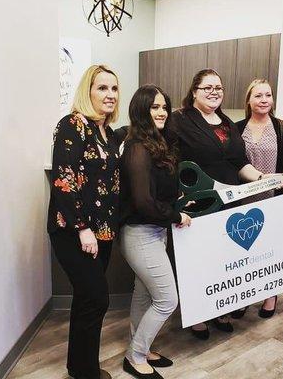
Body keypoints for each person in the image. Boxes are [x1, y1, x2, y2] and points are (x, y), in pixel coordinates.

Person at [170, 68, 264, 340]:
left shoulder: (228, 123)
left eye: (219, 88)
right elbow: (168, 159)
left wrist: (261, 177)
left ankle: (220, 309)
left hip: (229, 203)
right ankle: (197, 314)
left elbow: (238, 163)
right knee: (197, 260)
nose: (214, 93)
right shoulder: (180, 120)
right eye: (207, 87)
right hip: (197, 205)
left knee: (223, 258)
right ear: (194, 91)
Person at [47, 65, 120, 379]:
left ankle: (79, 368)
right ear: (87, 92)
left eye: (114, 89)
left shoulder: (109, 132)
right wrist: (83, 228)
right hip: (74, 230)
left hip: (102, 231)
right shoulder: (73, 124)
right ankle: (87, 372)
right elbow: (64, 180)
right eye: (102, 88)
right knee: (96, 298)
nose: (110, 95)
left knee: (86, 300)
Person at [119, 84, 192, 379]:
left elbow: (157, 192)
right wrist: (177, 215)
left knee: (144, 295)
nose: (161, 112)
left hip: (153, 232)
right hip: (140, 233)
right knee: (166, 300)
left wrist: (176, 202)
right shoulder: (137, 147)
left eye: (164, 106)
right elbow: (143, 202)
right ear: (141, 110)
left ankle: (141, 347)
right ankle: (135, 356)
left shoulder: (157, 142)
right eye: (154, 107)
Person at [234, 78, 283, 319]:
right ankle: (244, 295)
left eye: (268, 95)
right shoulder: (237, 128)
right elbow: (233, 164)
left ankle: (270, 295)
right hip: (244, 200)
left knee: (270, 250)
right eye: (258, 95)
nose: (264, 100)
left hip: (273, 199)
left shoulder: (282, 128)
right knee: (244, 253)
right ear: (249, 100)